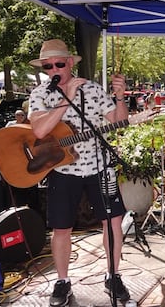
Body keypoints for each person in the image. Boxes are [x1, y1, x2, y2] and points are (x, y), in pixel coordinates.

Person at [28, 39, 131, 306]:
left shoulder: (93, 90)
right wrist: (67, 101)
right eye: (48, 66)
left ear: (70, 63)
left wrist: (119, 96)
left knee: (113, 221)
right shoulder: (40, 94)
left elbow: (119, 122)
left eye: (59, 64)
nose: (54, 70)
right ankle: (62, 281)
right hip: (61, 169)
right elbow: (39, 131)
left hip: (99, 166)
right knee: (61, 228)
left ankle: (113, 274)